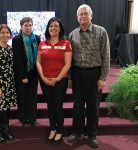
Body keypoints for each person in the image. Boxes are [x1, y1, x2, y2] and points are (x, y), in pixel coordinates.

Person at [67, 4, 110, 148]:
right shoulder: (72, 34)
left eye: (85, 14)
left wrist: (103, 78)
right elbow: (70, 60)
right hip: (77, 74)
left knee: (93, 107)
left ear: (91, 15)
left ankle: (92, 134)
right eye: (80, 14)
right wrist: (70, 78)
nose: (83, 16)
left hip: (94, 74)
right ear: (77, 17)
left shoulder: (101, 32)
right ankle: (77, 131)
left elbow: (106, 57)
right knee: (77, 105)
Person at [36, 17, 72, 144]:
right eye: (51, 26)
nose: (53, 28)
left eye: (56, 26)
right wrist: (43, 78)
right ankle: (52, 128)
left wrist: (57, 78)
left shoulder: (66, 43)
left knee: (57, 105)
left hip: (60, 80)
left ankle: (60, 130)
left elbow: (68, 64)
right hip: (45, 80)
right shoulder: (42, 44)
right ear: (48, 29)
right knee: (50, 105)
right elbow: (38, 62)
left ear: (60, 28)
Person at [0, 24, 17, 144]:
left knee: (6, 110)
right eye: (3, 33)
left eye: (7, 33)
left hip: (9, 83)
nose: (5, 35)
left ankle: (6, 130)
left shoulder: (9, 48)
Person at [12, 17, 41, 127]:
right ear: (21, 26)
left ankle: (33, 118)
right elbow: (17, 59)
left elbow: (39, 57)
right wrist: (23, 76)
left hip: (33, 73)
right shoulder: (17, 39)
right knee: (22, 97)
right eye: (25, 25)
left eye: (30, 25)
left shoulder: (37, 38)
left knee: (32, 97)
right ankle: (24, 119)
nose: (28, 28)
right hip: (22, 74)